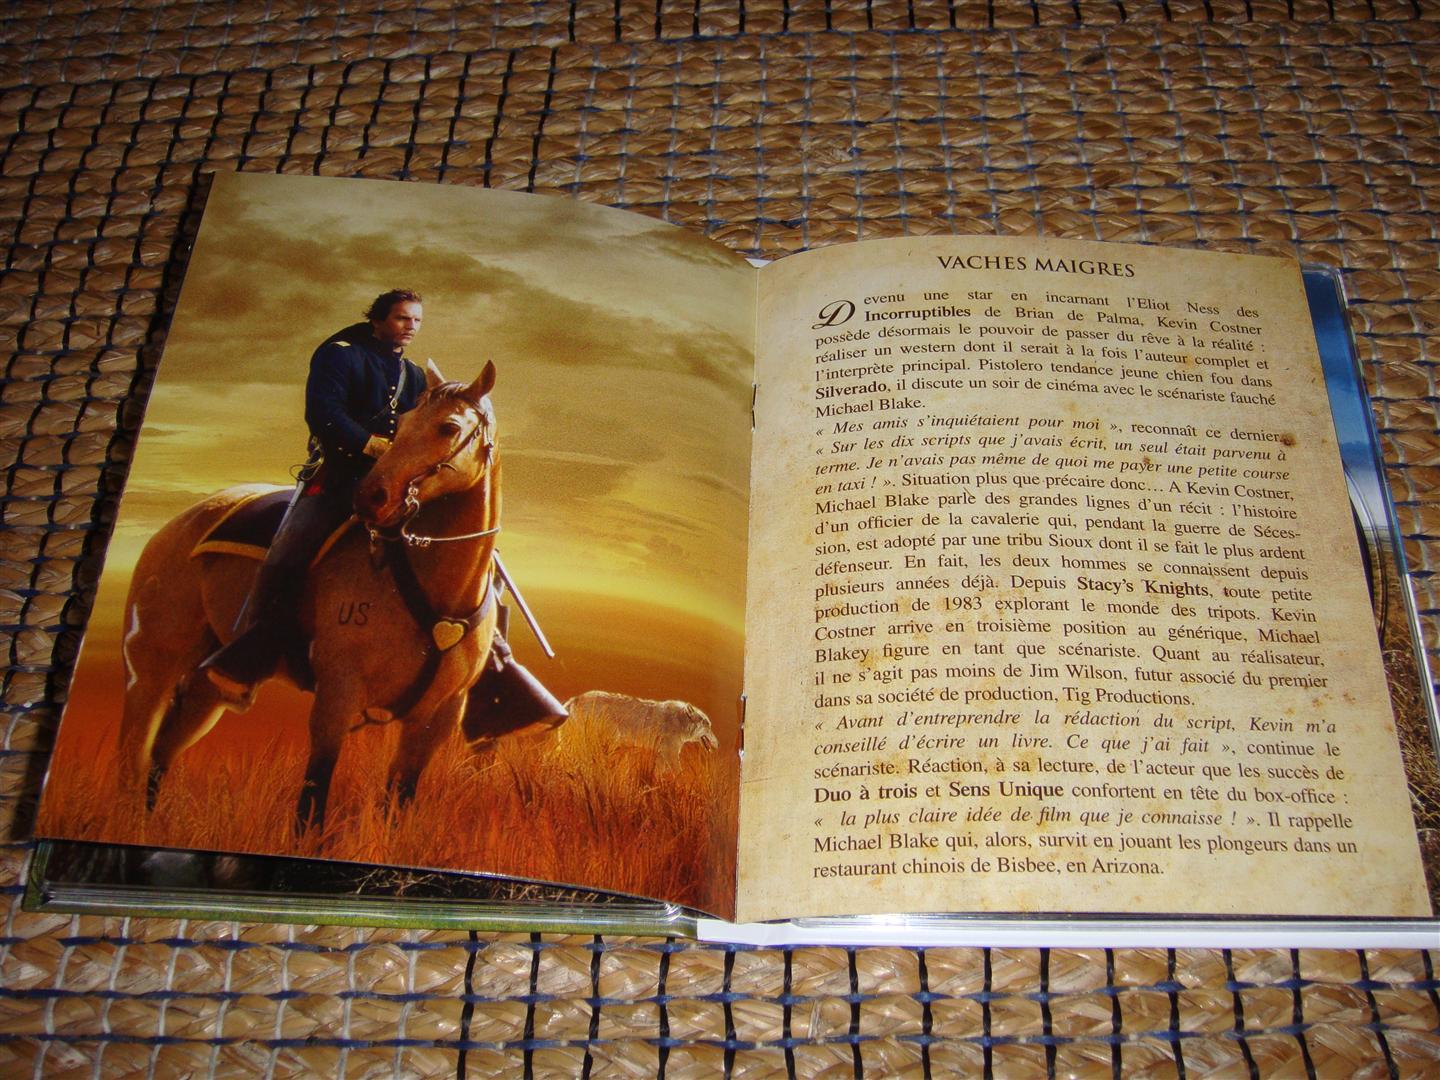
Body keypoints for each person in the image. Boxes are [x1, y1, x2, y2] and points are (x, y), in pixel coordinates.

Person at [200, 289, 427, 706]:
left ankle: (492, 666)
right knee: (290, 552)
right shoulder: (340, 354)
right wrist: (370, 445)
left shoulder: (414, 375)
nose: (410, 326)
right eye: (401, 318)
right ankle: (250, 655)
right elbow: (324, 414)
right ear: (377, 319)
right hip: (337, 476)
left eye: (416, 320)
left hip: (393, 484)